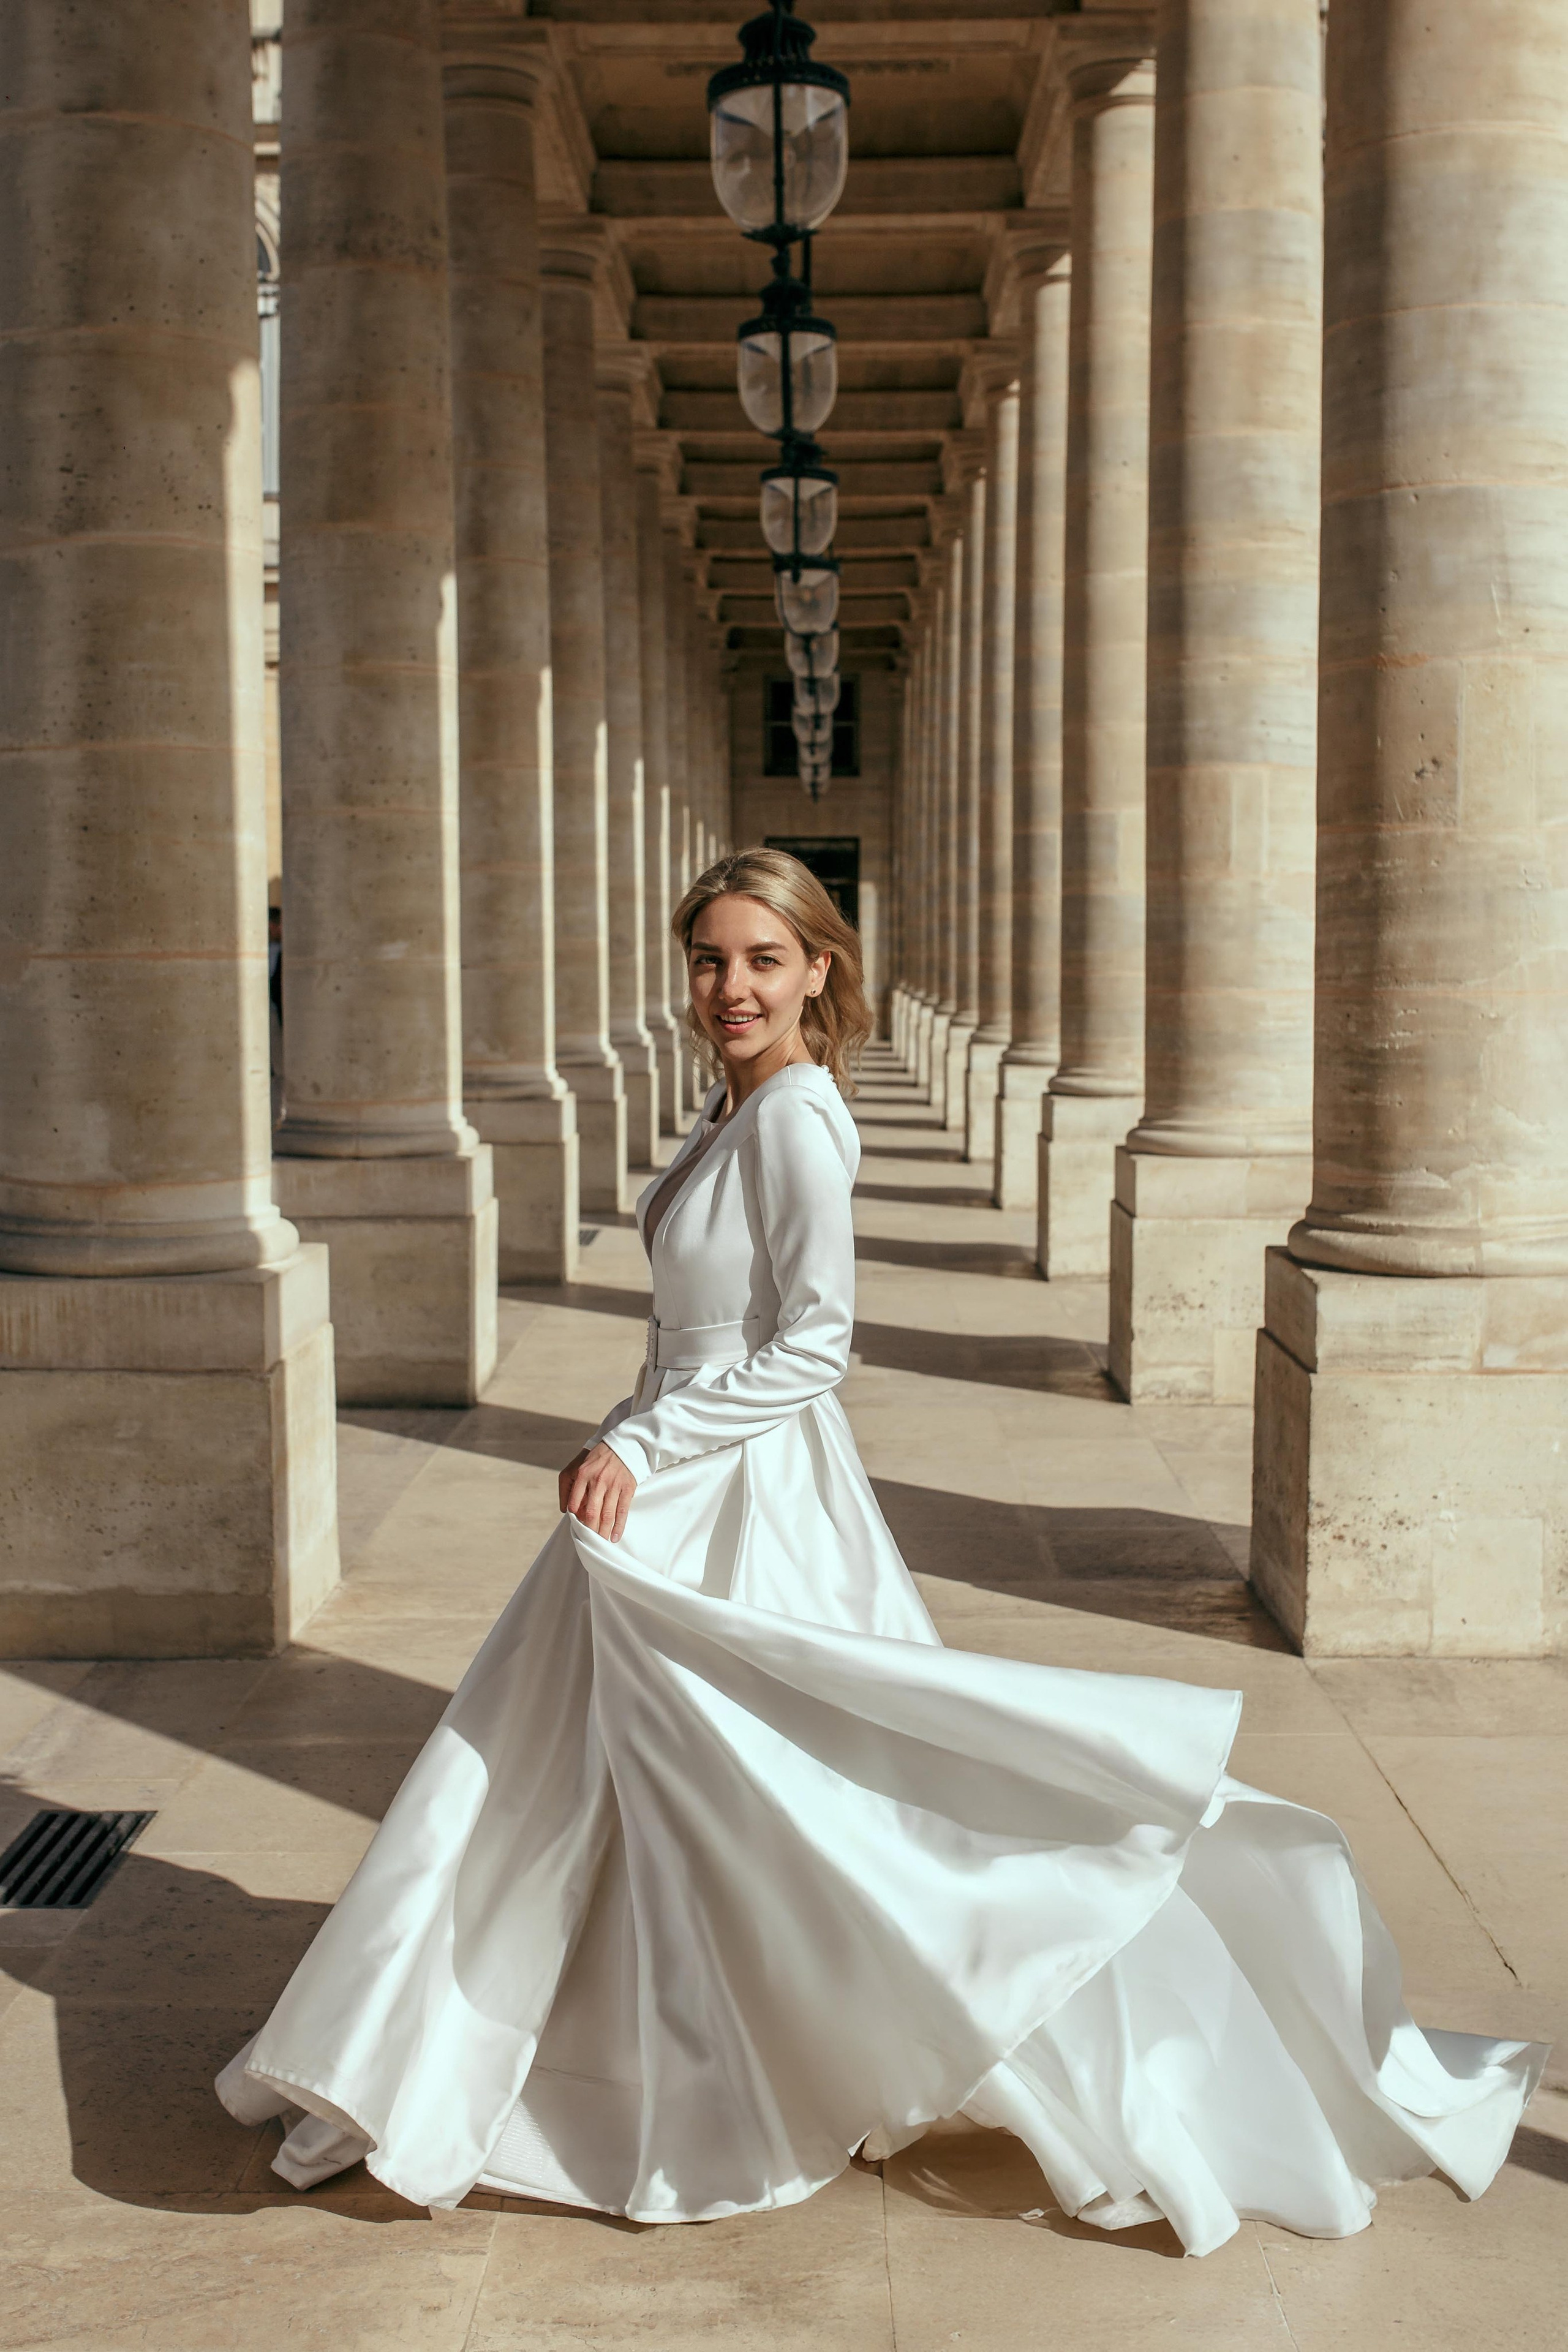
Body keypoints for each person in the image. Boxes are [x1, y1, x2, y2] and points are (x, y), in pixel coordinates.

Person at [218, 847, 1545, 2255]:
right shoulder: (733, 1108)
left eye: (762, 960)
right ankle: (565, 2037)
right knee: (614, 1777)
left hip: (740, 1494)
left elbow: (815, 1346)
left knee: (793, 1792)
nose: (731, 988)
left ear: (818, 970)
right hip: (672, 1474)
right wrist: (631, 1427)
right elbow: (695, 1328)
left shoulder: (795, 1118)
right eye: (712, 960)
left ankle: (760, 2044)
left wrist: (648, 1446)